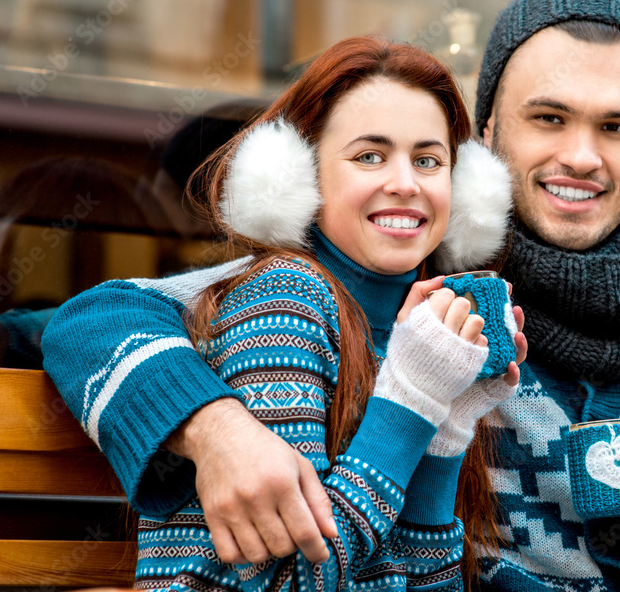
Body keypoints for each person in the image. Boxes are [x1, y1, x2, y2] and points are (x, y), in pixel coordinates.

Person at [43, 0, 620, 590]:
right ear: (488, 134)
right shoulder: (427, 286)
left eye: (616, 128)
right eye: (549, 118)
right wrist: (213, 425)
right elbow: (95, 319)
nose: (582, 156)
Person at [44, 35, 525, 591]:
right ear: (300, 177)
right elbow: (289, 580)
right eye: (369, 156)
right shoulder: (283, 301)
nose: (405, 183)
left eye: (428, 160)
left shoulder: (420, 331)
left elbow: (421, 580)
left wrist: (446, 429)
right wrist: (411, 404)